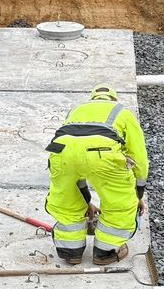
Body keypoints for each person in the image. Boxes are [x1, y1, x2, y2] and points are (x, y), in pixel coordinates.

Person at [45, 84, 149, 265]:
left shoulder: (76, 110)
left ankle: (71, 252)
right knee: (119, 204)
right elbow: (139, 157)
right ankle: (105, 252)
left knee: (66, 202)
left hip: (61, 152)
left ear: (92, 99)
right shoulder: (123, 112)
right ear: (114, 99)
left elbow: (77, 164)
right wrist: (137, 194)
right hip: (104, 153)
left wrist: (85, 201)